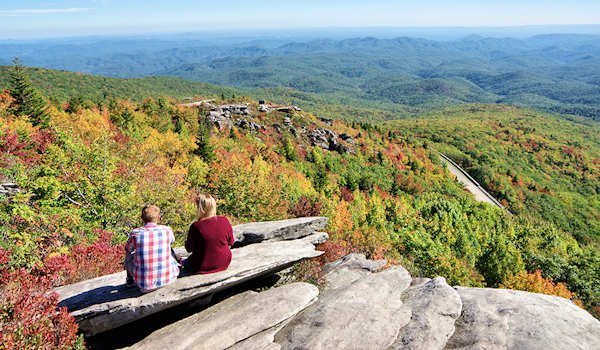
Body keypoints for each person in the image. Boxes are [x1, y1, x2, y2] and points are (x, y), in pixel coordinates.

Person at [124, 205, 180, 292]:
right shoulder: (167, 230)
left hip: (144, 286)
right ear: (159, 218)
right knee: (169, 249)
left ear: (142, 218)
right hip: (169, 280)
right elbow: (172, 241)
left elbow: (128, 249)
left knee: (129, 254)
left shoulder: (135, 233)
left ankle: (130, 280)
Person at [184, 194, 235, 274]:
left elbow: (189, 249)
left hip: (201, 266)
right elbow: (231, 242)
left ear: (199, 208)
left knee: (183, 263)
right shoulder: (224, 220)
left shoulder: (196, 226)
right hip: (224, 262)